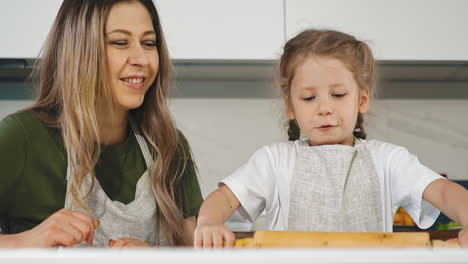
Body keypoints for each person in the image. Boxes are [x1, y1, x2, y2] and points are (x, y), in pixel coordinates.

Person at [193, 29, 468, 248]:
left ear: (362, 99)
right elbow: (225, 198)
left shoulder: (387, 160)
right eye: (309, 97)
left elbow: (443, 191)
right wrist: (208, 223)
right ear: (291, 107)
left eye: (338, 95)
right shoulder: (274, 160)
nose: (324, 108)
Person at [0, 0, 203, 248]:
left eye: (149, 43)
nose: (142, 59)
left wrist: (156, 258)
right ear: (79, 50)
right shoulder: (22, 138)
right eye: (120, 42)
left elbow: (198, 256)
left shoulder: (169, 147)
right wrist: (27, 240)